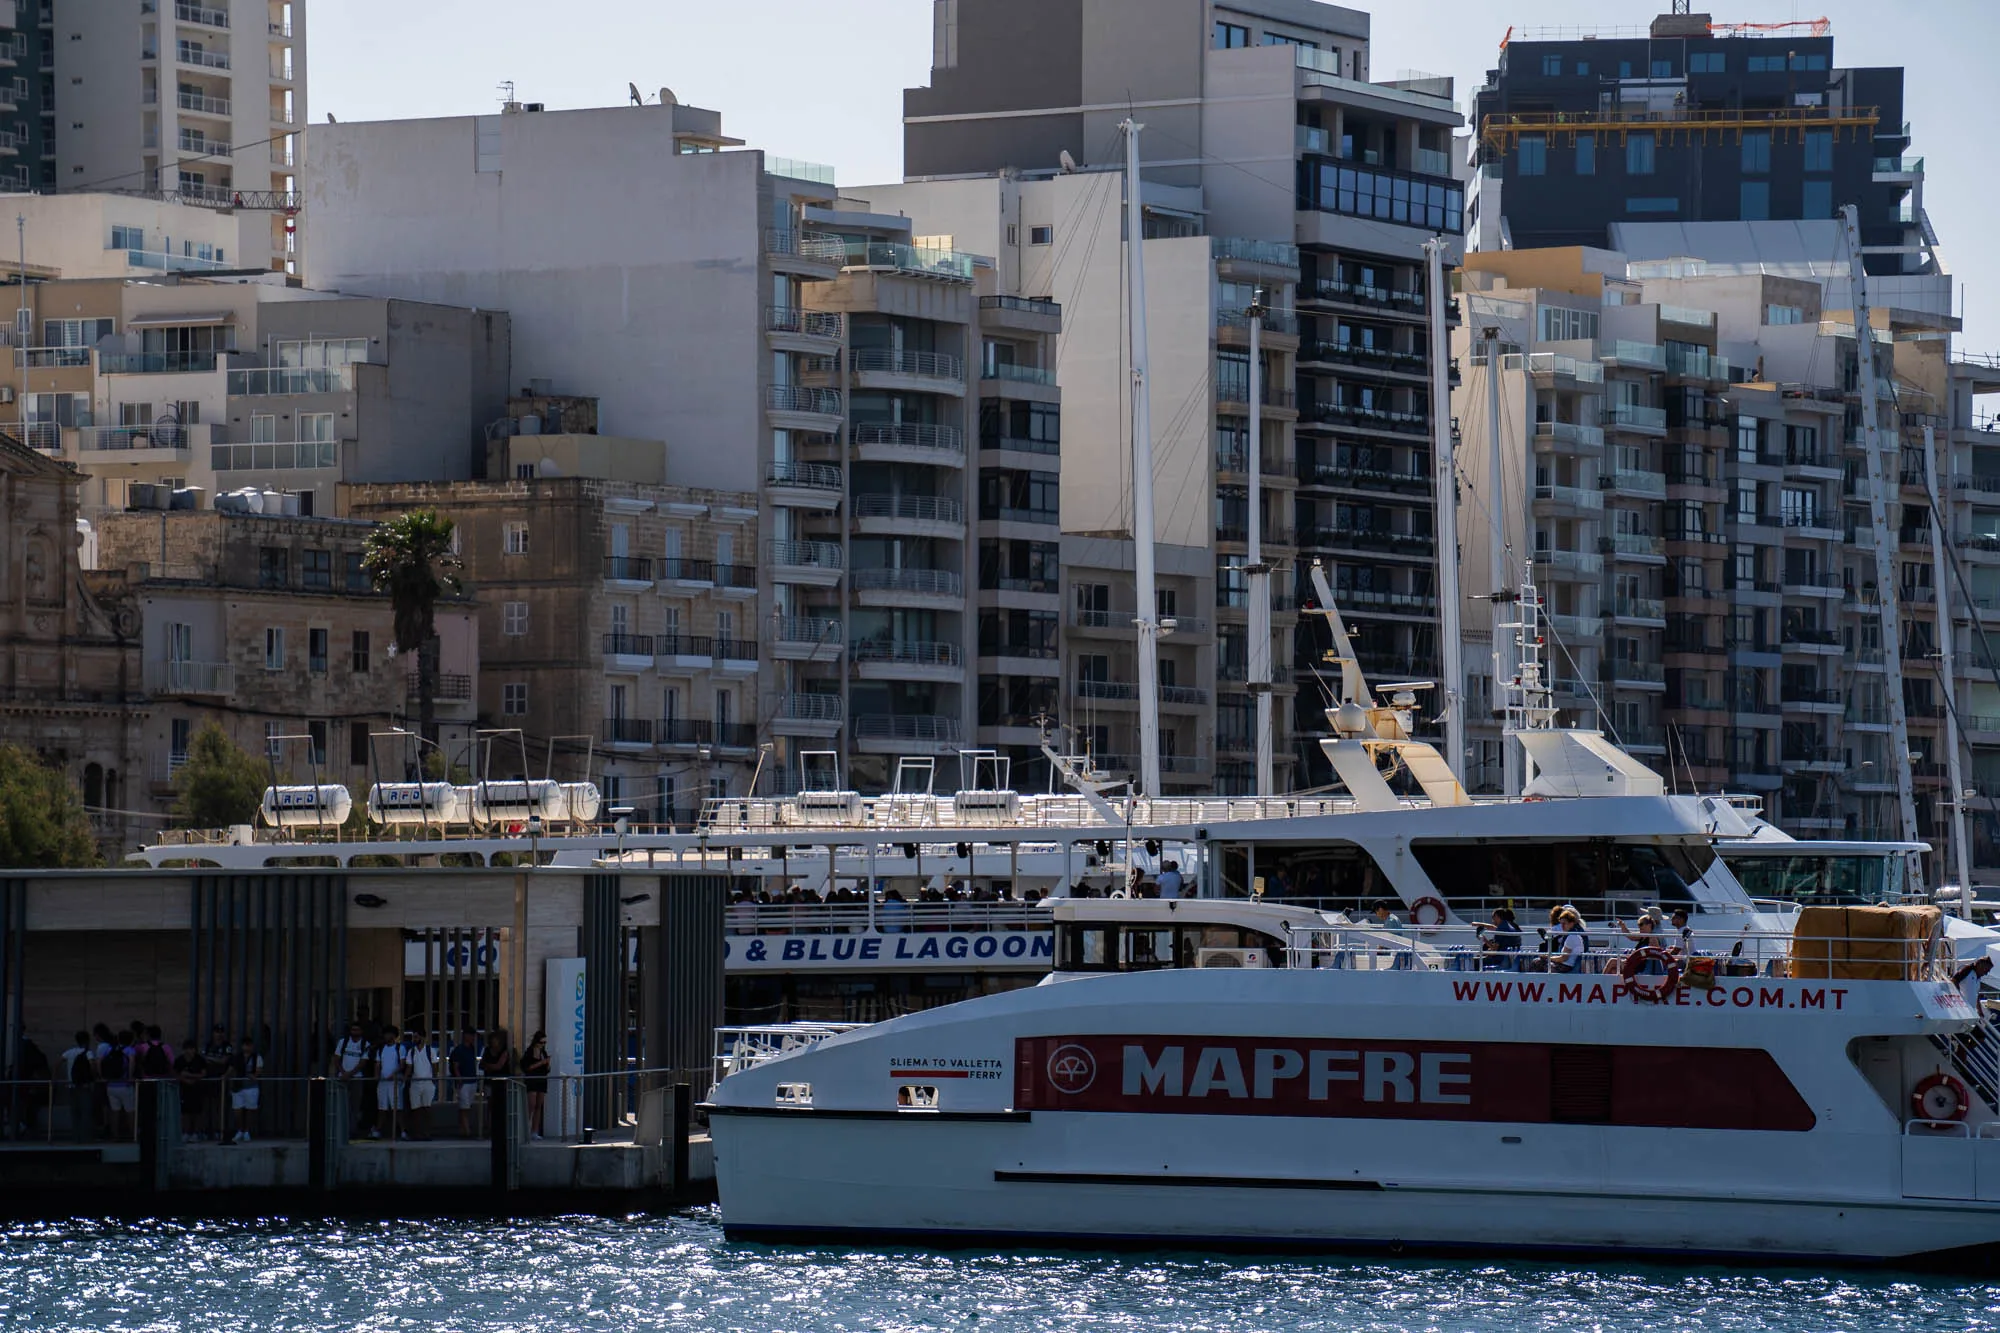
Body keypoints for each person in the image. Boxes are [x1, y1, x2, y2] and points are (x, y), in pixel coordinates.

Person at [329, 1020, 372, 1139]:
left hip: (356, 1079)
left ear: (361, 1031)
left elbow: (362, 1063)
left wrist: (350, 1074)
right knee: (340, 1105)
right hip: (342, 1078)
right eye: (353, 1030)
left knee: (355, 1106)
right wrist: (343, 1073)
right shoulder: (343, 1042)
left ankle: (351, 1132)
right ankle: (338, 1131)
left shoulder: (365, 1044)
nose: (354, 1032)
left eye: (357, 1030)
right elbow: (336, 1059)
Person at [402, 1028, 439, 1141]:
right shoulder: (411, 1051)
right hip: (415, 1083)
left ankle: (426, 1133)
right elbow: (409, 1067)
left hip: (427, 1082)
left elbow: (434, 1066)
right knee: (416, 1109)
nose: (415, 1039)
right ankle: (417, 1133)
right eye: (414, 1037)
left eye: (417, 1037)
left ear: (423, 1038)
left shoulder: (430, 1050)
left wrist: (434, 1079)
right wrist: (405, 1080)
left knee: (427, 1109)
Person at [173, 1038, 211, 1143]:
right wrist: (185, 1080)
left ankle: (196, 1133)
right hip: (184, 1090)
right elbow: (176, 1074)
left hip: (198, 1089)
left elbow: (203, 1074)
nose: (190, 1051)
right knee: (185, 1113)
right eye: (188, 1049)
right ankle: (186, 1133)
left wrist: (190, 1076)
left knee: (197, 1112)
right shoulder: (179, 1060)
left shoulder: (200, 1060)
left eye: (192, 1049)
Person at [61, 1031, 95, 1144]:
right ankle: (86, 1137)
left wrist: (53, 1078)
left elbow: (57, 1063)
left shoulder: (69, 1052)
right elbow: (92, 1066)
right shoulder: (88, 1053)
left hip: (72, 1085)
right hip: (84, 1085)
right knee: (86, 1112)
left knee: (75, 1112)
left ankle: (76, 1137)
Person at [101, 1028, 135, 1141]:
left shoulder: (110, 1049)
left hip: (111, 1085)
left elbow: (99, 1061)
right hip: (125, 1085)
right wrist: (130, 1078)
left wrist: (102, 1076)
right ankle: (132, 1135)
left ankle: (114, 1135)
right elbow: (131, 1064)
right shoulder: (130, 1050)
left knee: (114, 1111)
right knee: (130, 1111)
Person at [448, 1027, 482, 1138]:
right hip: (464, 1083)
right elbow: (455, 1066)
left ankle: (463, 1129)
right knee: (464, 1107)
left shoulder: (472, 1049)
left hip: (472, 1081)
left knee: (467, 1107)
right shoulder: (459, 1050)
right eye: (471, 1035)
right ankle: (466, 1131)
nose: (473, 1038)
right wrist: (459, 1079)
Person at [520, 1031, 552, 1140]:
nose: (543, 1045)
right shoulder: (529, 1052)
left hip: (541, 1080)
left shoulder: (543, 1052)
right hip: (532, 1080)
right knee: (531, 1105)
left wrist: (547, 1064)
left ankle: (534, 1130)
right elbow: (527, 1067)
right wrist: (541, 1063)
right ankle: (525, 1129)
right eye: (541, 1042)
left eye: (545, 1043)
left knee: (539, 1105)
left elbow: (547, 1069)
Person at [374, 1026, 405, 1140]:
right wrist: (377, 1076)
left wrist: (393, 1075)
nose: (385, 1036)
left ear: (393, 1035)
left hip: (395, 1082)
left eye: (388, 1034)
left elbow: (402, 1064)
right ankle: (378, 1130)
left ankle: (402, 1131)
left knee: (398, 1107)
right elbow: (377, 1064)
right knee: (382, 1107)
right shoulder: (381, 1049)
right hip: (383, 1082)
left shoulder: (400, 1048)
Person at [230, 1036, 262, 1143]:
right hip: (238, 1087)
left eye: (249, 1045)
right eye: (245, 1045)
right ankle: (240, 1130)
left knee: (250, 1110)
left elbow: (257, 1072)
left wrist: (251, 1075)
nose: (247, 1047)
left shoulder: (257, 1057)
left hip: (251, 1087)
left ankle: (247, 1131)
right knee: (237, 1111)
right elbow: (232, 1069)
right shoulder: (237, 1057)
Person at [1550, 908, 1588, 974]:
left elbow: (1563, 958)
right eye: (1561, 924)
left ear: (1571, 923)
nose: (1562, 926)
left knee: (1537, 962)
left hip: (1566, 966)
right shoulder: (1574, 933)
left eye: (1564, 923)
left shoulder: (1572, 936)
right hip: (1567, 964)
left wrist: (1548, 957)